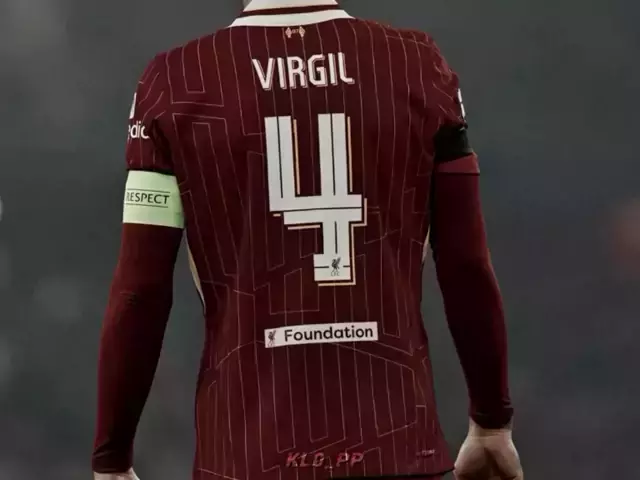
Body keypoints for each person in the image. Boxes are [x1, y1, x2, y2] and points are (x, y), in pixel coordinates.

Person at [92, 1, 523, 479]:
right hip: (394, 445)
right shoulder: (416, 64)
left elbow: (140, 291)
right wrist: (491, 420)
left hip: (245, 454)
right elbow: (465, 265)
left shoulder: (173, 81)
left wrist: (112, 457)